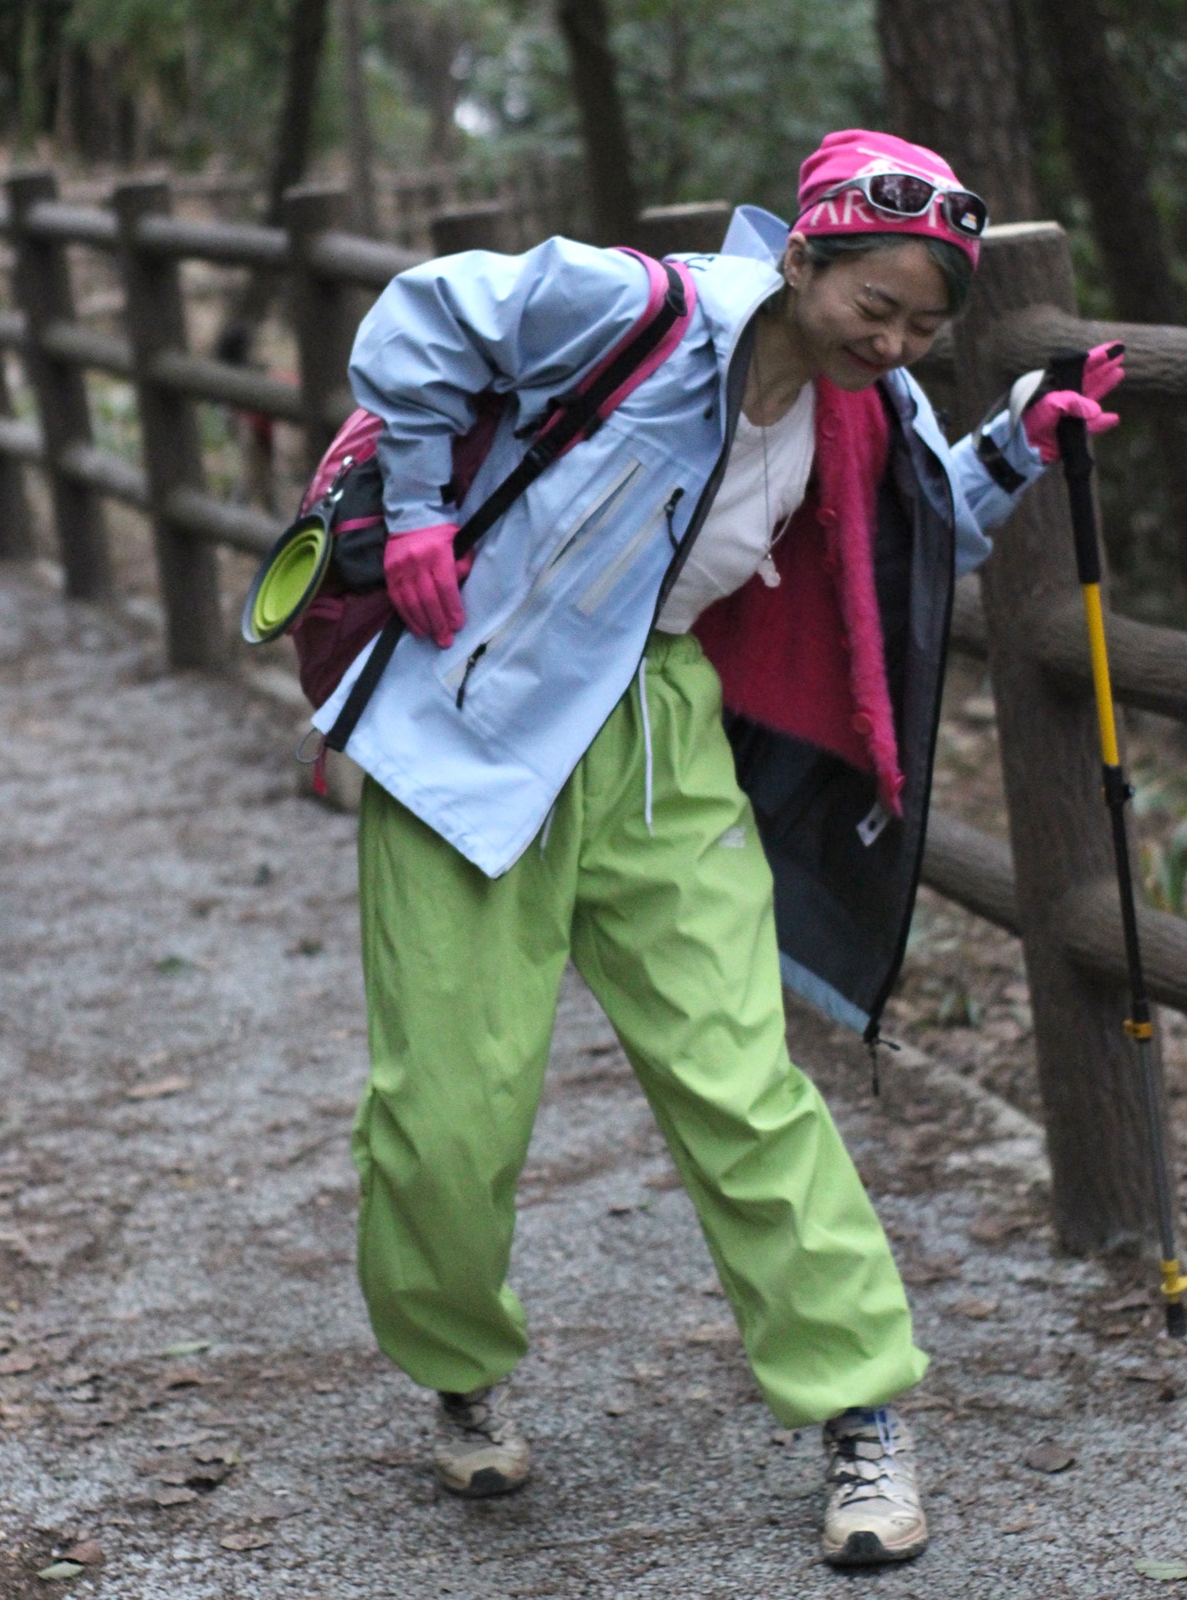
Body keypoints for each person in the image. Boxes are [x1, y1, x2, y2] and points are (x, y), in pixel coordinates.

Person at [316, 129, 1123, 1567]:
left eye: (924, 326)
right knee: (447, 1109)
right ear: (800, 256)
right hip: (468, 719)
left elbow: (928, 528)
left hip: (657, 739)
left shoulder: (860, 410)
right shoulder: (640, 307)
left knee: (742, 1082)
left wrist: (1016, 437)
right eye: (874, 306)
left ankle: (861, 1408)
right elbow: (421, 312)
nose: (893, 340)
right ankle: (458, 1369)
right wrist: (427, 503)